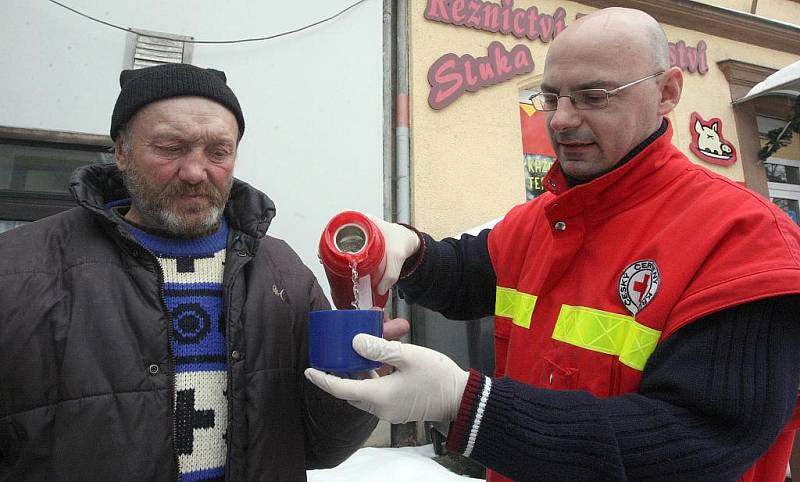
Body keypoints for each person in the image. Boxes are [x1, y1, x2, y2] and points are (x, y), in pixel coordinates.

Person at [305, 7, 800, 482]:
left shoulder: (746, 243)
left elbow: (691, 446)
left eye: (593, 96)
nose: (561, 119)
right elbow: (462, 275)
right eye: (550, 97)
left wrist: (468, 405)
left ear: (667, 91)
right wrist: (409, 250)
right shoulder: (542, 220)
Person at [0, 63, 407, 481]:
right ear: (121, 151)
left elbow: (321, 447)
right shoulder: (17, 270)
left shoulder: (282, 273)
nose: (196, 172)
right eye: (170, 147)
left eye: (218, 151)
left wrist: (358, 385)